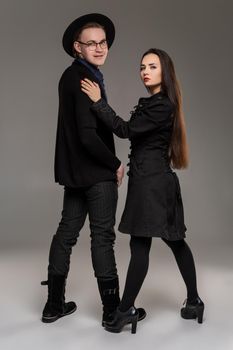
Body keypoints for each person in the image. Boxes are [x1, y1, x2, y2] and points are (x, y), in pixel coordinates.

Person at [81, 48, 205, 334]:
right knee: (172, 242)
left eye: (152, 66)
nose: (145, 71)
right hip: (150, 182)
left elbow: (125, 130)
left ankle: (124, 311)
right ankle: (194, 301)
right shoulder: (157, 103)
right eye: (142, 67)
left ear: (165, 72)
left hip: (152, 185)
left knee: (144, 245)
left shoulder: (162, 106)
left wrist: (99, 103)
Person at [41, 13, 146, 326]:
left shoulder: (70, 75)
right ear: (77, 47)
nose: (100, 48)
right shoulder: (87, 79)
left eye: (103, 42)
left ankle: (53, 305)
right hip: (97, 174)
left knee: (66, 233)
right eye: (92, 43)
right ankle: (112, 312)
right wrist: (114, 163)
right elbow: (88, 135)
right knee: (102, 239)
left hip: (75, 174)